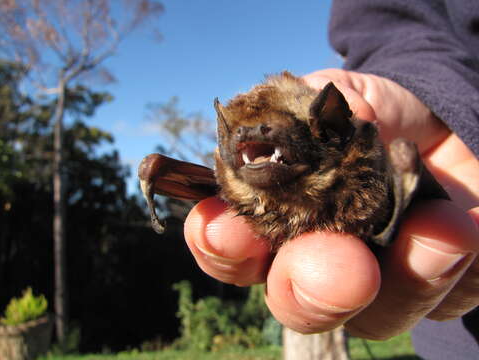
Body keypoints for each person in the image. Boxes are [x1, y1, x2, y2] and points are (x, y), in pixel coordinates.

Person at [184, 0, 479, 358]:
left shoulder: (360, 165)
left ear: (330, 127)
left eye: (269, 129)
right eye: (240, 133)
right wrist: (424, 97)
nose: (252, 134)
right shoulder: (232, 183)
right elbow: (394, 26)